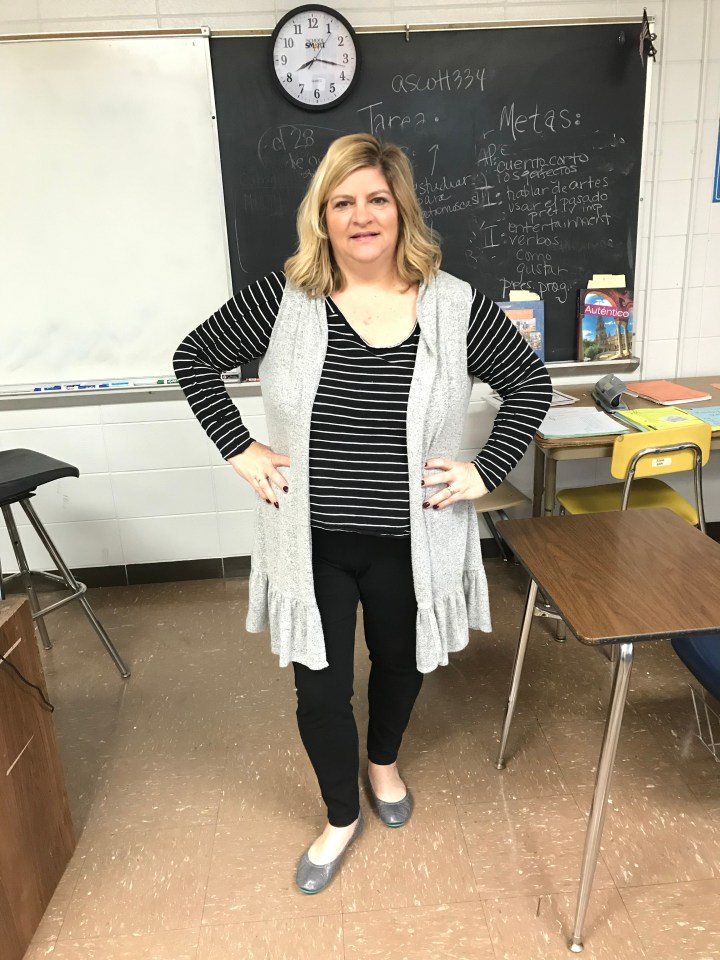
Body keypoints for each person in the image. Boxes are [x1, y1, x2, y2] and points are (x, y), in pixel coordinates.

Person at [174, 133, 552, 894]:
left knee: (401, 665)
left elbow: (529, 386)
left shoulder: (453, 305)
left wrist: (483, 470)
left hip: (411, 542)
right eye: (342, 202)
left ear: (400, 208)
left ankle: (383, 762)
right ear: (322, 216)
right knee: (319, 689)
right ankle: (340, 815)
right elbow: (194, 359)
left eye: (376, 199)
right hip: (311, 540)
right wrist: (239, 448)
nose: (361, 216)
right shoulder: (285, 300)